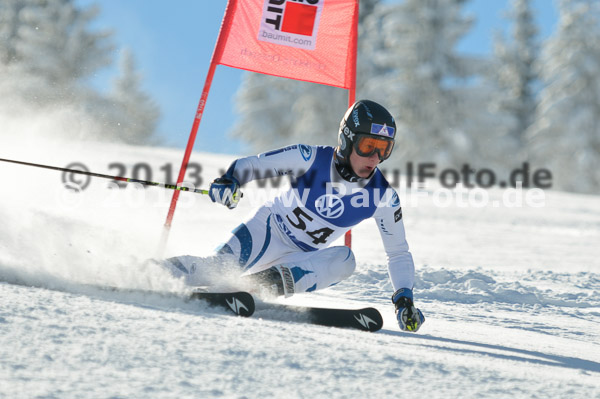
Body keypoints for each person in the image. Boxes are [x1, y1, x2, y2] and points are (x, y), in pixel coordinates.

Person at [163, 100, 425, 332]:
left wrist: (404, 300)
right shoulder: (309, 158)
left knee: (345, 260)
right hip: (266, 231)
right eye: (368, 146)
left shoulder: (382, 197)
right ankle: (149, 271)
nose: (375, 158)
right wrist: (230, 180)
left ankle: (260, 286)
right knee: (215, 270)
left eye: (384, 149)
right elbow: (253, 165)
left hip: (299, 258)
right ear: (347, 140)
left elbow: (398, 253)